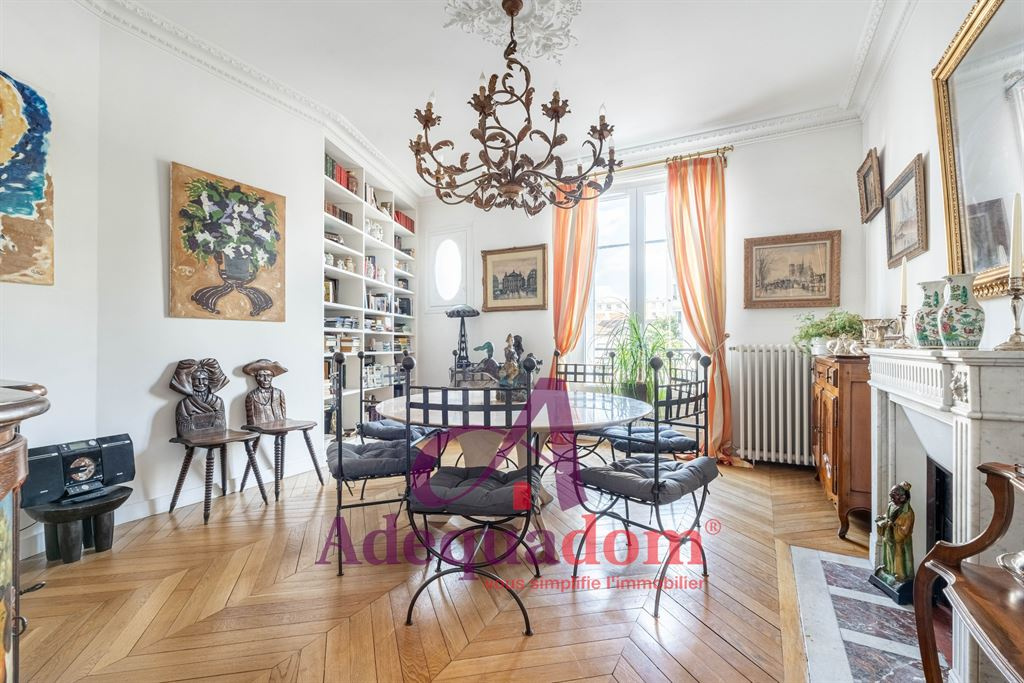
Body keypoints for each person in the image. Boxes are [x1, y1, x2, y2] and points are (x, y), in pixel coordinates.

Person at [875, 481, 915, 585]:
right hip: (889, 536)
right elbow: (887, 516)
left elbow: (905, 530)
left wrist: (893, 525)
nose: (891, 498)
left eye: (894, 495)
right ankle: (889, 570)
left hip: (900, 541)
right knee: (888, 554)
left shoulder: (908, 513)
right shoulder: (891, 505)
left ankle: (900, 576)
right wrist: (882, 519)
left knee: (899, 557)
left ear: (902, 498)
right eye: (891, 495)